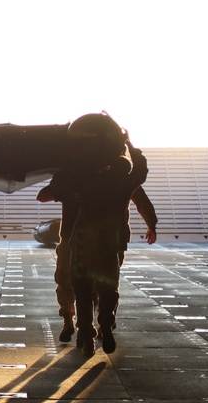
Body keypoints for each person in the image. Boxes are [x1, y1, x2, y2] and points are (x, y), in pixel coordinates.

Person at [39, 119, 148, 356]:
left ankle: (85, 329)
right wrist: (129, 143)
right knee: (109, 289)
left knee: (82, 290)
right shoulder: (122, 185)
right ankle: (106, 326)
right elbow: (141, 170)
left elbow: (44, 195)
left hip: (81, 244)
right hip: (108, 245)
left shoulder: (81, 180)